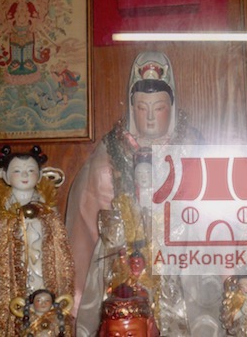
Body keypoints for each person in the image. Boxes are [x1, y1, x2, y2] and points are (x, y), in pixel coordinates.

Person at [66, 51, 205, 335]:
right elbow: (86, 221)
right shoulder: (111, 152)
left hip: (181, 260)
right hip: (123, 266)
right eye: (142, 107)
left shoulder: (193, 147)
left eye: (159, 107)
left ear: (172, 106)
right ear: (131, 107)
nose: (150, 117)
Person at [0, 145, 74, 336]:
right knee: (8, 297)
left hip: (41, 263)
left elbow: (57, 232)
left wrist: (42, 223)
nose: (24, 175)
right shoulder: (1, 206)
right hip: (13, 264)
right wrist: (16, 222)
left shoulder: (46, 204)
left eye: (30, 170)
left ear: (39, 175)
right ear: (6, 177)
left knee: (43, 293)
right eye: (17, 171)